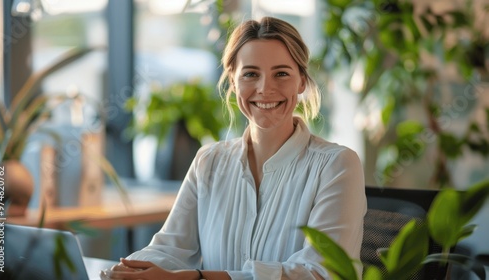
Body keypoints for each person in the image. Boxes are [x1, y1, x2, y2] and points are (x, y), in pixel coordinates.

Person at [101, 16, 366, 280]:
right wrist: (128, 270)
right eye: (251, 74)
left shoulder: (337, 165)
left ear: (301, 82)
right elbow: (169, 248)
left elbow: (320, 274)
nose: (265, 88)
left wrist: (197, 277)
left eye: (281, 73)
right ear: (233, 81)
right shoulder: (209, 161)